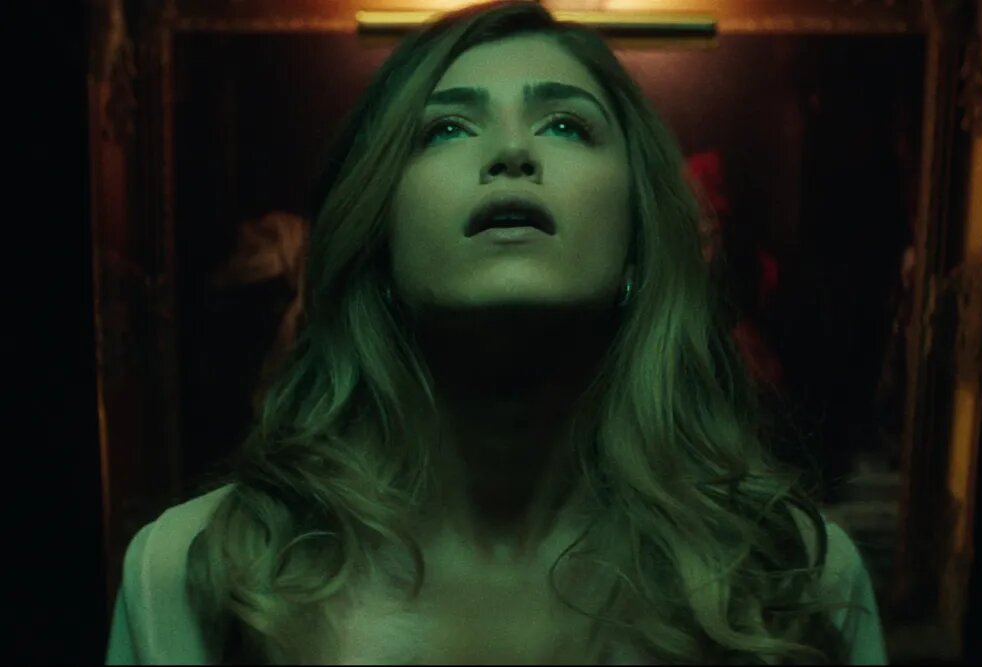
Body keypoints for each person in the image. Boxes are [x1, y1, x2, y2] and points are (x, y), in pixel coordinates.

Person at [105, 1, 887, 663]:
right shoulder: (191, 578)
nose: (512, 153)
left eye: (566, 125)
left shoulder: (790, 582)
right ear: (379, 230)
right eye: (446, 128)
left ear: (639, 237)